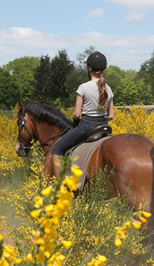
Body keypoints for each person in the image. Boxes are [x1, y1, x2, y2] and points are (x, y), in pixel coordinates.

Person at [52, 51, 114, 180]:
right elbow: (111, 116)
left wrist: (76, 122)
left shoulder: (83, 87)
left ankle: (59, 187)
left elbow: (76, 114)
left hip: (86, 126)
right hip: (104, 126)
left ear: (89, 68)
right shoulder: (108, 89)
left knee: (57, 149)